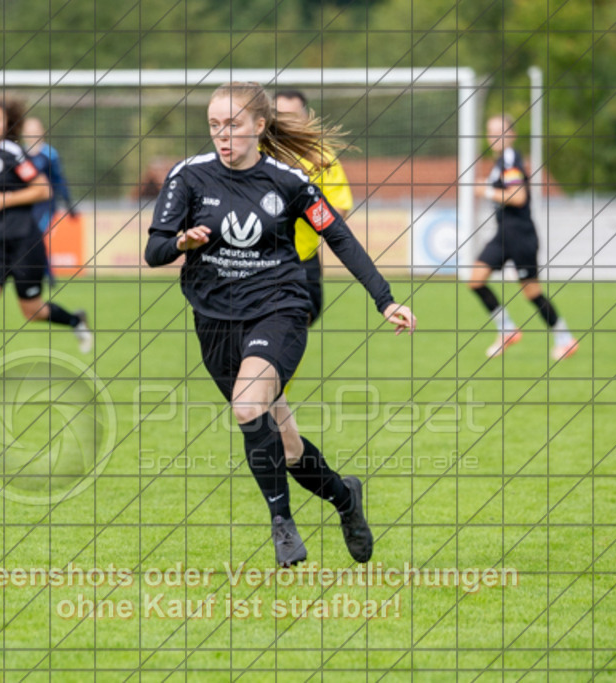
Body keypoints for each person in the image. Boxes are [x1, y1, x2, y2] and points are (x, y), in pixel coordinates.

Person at [145, 82, 416, 568]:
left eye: (232, 125)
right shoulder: (188, 177)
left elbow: (341, 237)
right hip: (214, 320)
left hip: (280, 307)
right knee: (286, 446)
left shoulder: (288, 181)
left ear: (259, 126)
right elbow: (154, 251)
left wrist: (385, 299)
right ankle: (344, 497)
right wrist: (182, 243)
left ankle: (281, 523)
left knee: (248, 407)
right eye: (214, 126)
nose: (222, 136)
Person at [0, 99, 92, 389]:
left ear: (5, 125)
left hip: (25, 241)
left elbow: (42, 189)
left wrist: (7, 199)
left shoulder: (13, 153)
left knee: (33, 311)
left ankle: (76, 321)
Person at [470, 114, 578, 360]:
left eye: (499, 131)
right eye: (490, 131)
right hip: (503, 234)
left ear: (511, 134)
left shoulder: (511, 159)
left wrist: (485, 190)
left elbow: (518, 197)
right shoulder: (500, 161)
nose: (494, 137)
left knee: (531, 292)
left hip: (520, 235)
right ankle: (507, 329)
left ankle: (565, 338)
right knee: (476, 279)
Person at [273, 90, 354, 326]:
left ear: (306, 117)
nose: (286, 120)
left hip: (302, 259)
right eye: (279, 114)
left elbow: (339, 208)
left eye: (292, 115)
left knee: (298, 323)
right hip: (257, 259)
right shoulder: (255, 154)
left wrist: (302, 212)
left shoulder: (321, 156)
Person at [22, 116, 78, 232]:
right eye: (29, 132)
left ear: (42, 132)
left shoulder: (50, 154)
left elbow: (59, 179)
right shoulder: (19, 155)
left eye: (35, 131)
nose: (32, 135)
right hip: (25, 204)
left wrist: (68, 204)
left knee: (36, 236)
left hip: (45, 205)